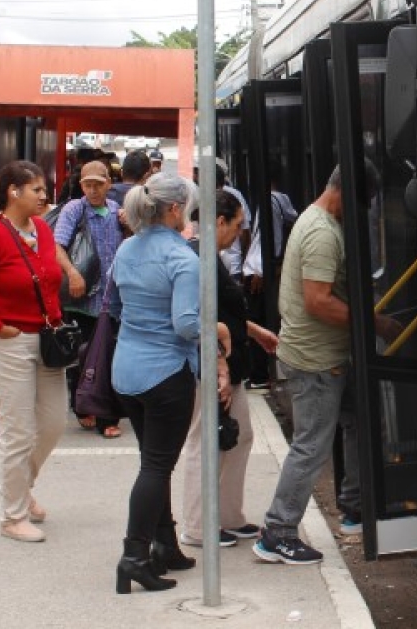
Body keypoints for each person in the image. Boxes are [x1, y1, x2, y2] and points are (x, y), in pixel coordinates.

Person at [253, 162, 401, 565]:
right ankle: (277, 533)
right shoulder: (320, 232)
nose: (365, 210)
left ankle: (354, 507)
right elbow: (319, 301)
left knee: (357, 420)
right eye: (364, 201)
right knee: (311, 447)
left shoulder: (317, 219)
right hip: (316, 361)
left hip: (330, 355)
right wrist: (376, 322)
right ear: (346, 192)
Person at [110, 172, 231, 594]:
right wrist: (217, 329)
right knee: (156, 466)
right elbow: (184, 325)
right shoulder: (183, 260)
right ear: (176, 210)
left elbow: (116, 305)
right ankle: (134, 557)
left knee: (152, 462)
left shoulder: (126, 249)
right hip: (165, 375)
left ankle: (166, 546)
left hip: (126, 371)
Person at [177, 190, 279, 549]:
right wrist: (217, 367)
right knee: (204, 442)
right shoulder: (198, 259)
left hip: (227, 365)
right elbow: (200, 318)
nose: (239, 234)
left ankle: (227, 514)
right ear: (219, 222)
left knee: (240, 436)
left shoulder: (210, 257)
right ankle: (196, 524)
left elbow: (223, 311)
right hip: (212, 367)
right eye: (237, 226)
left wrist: (253, 330)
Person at [0, 161, 67, 543]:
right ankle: (12, 515)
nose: (44, 196)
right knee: (19, 431)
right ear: (14, 191)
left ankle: (21, 488)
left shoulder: (43, 230)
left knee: (52, 423)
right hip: (8, 341)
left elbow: (49, 278)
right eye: (36, 189)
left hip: (46, 338)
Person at [54, 159, 124, 438]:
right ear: (81, 185)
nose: (93, 190)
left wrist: (129, 225)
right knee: (85, 353)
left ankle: (104, 413)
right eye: (88, 184)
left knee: (107, 354)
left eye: (98, 184)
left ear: (109, 183)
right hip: (83, 297)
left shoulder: (117, 210)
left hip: (113, 296)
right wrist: (72, 274)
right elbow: (58, 246)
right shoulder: (75, 209)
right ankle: (87, 407)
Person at [242, 161, 298, 388]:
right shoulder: (281, 200)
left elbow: (269, 237)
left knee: (256, 321)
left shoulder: (270, 201)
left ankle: (260, 374)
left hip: (258, 269)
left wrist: (264, 268)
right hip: (262, 267)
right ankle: (262, 371)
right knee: (262, 320)